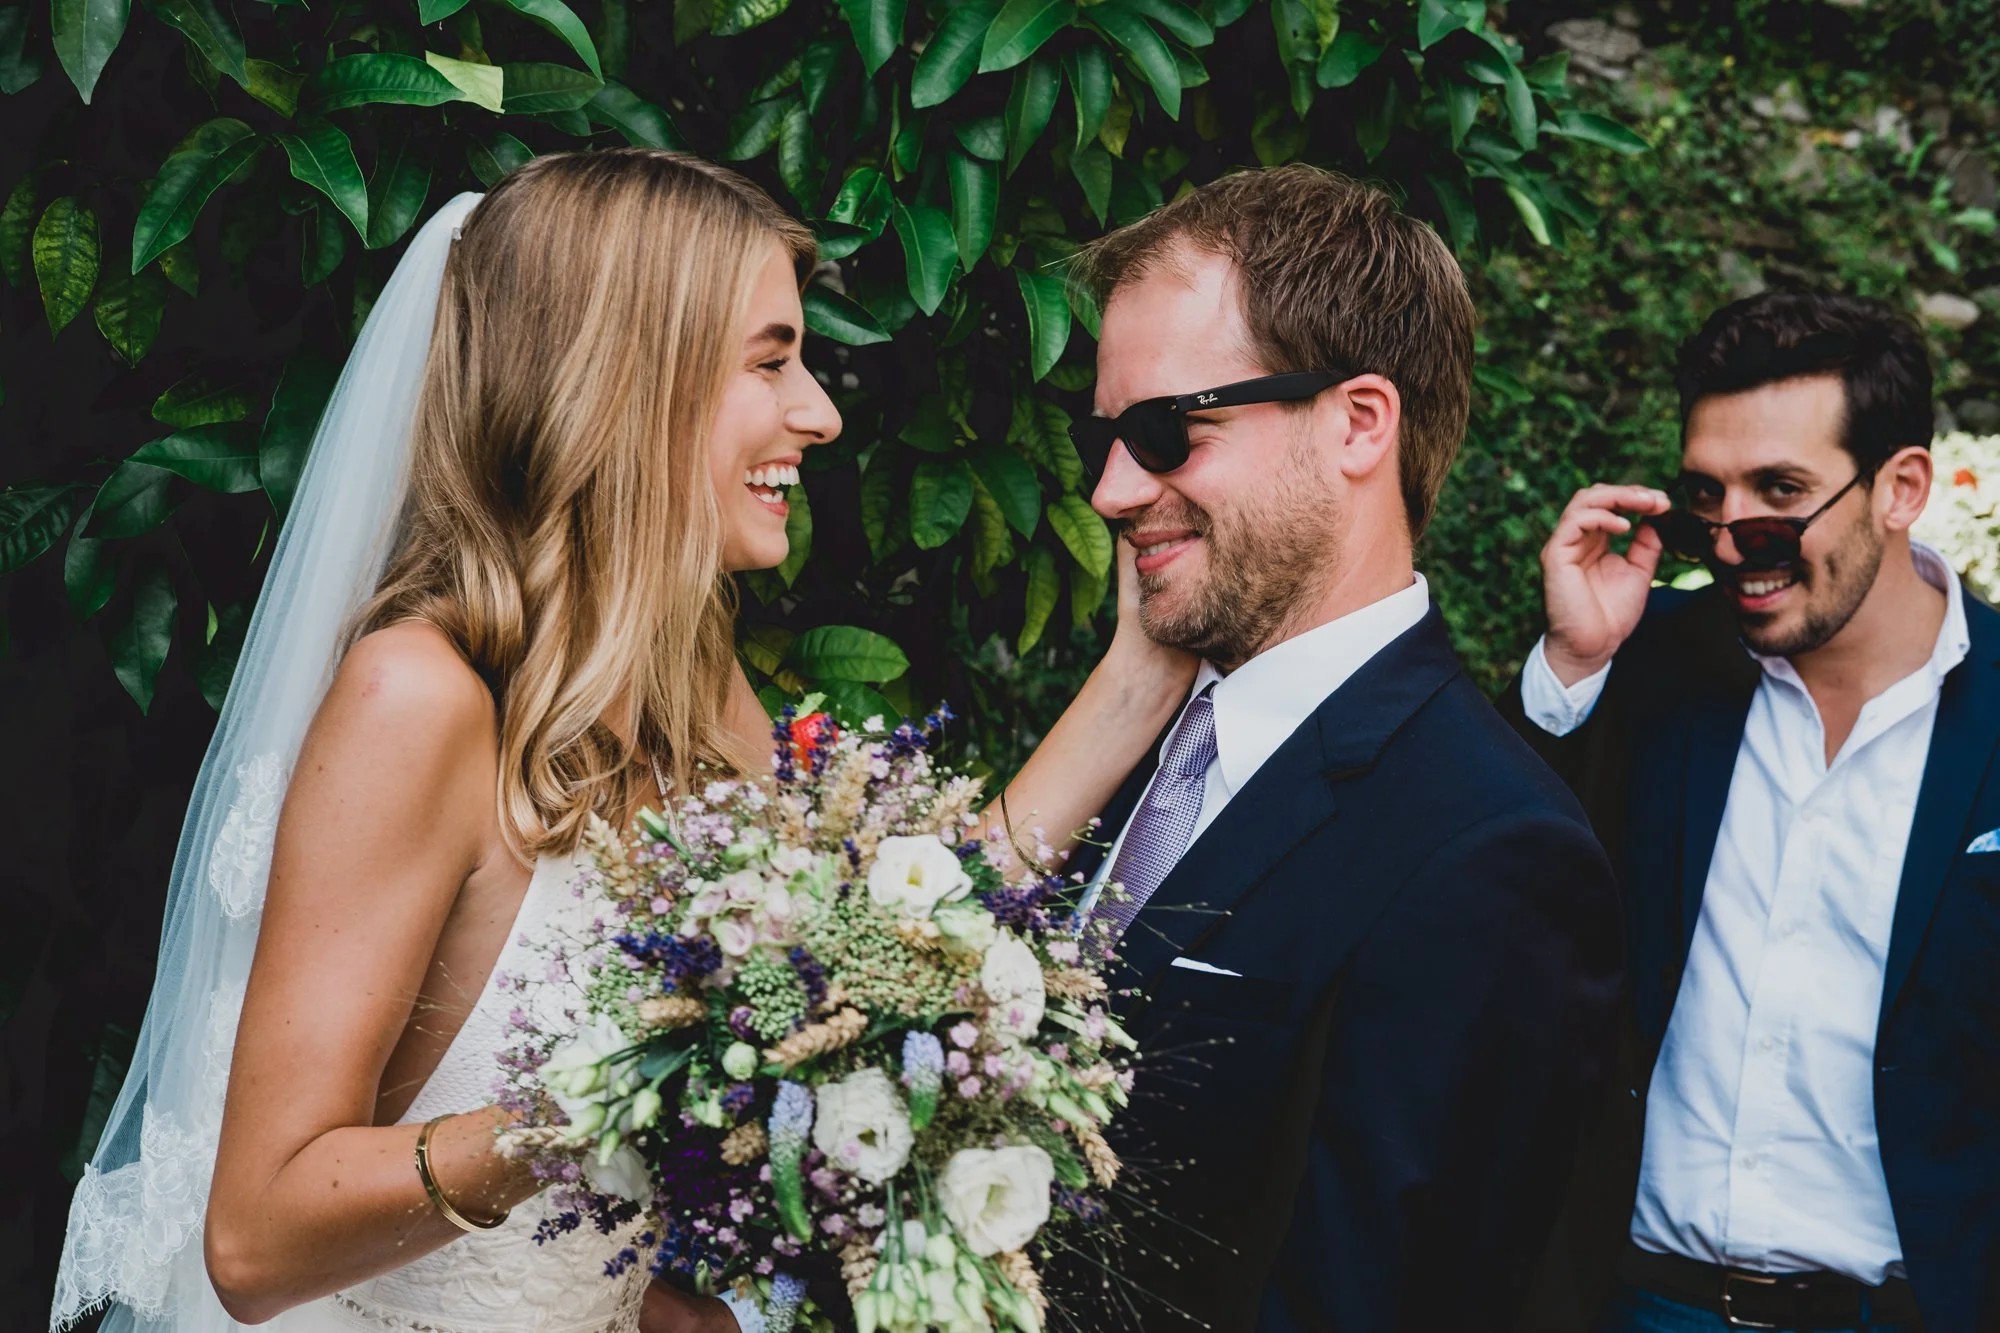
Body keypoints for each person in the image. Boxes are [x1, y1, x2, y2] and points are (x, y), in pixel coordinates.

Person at [48, 150, 1191, 1333]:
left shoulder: (691, 689)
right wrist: (594, 1103)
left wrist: (1136, 676)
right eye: (770, 362)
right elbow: (255, 1239)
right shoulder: (420, 699)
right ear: (628, 380)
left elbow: (881, 959)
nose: (820, 411)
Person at [1057, 165, 1622, 1332]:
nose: (1112, 488)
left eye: (1163, 430)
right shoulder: (1133, 737)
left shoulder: (1490, 850)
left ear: (1358, 422)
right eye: (1101, 436)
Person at [1502, 289, 2000, 1333]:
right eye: (1704, 500)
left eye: (1777, 493)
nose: (1731, 544)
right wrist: (1569, 666)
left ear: (1900, 486)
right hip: (1632, 1300)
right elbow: (1493, 906)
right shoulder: (1643, 660)